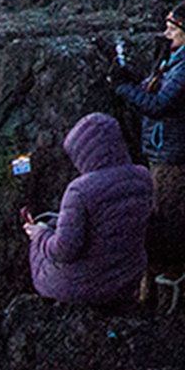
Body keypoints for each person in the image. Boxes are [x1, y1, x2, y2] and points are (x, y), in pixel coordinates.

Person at [26, 112, 154, 306]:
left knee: (39, 250)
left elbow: (64, 251)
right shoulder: (143, 177)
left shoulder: (80, 190)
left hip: (87, 285)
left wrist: (40, 234)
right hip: (128, 277)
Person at [112, 0, 185, 174]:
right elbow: (157, 90)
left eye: (172, 30)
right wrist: (132, 81)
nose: (166, 34)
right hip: (166, 150)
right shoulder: (177, 61)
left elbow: (158, 106)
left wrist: (122, 87)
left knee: (165, 198)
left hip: (172, 156)